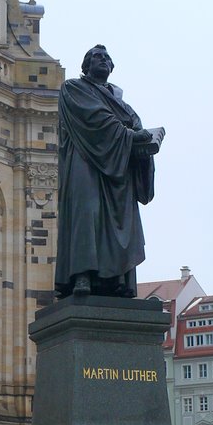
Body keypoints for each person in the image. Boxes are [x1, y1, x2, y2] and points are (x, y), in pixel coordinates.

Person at [54, 44, 164, 298]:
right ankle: (82, 275)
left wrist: (145, 147)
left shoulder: (123, 104)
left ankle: (118, 281)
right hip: (86, 162)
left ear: (112, 67)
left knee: (121, 222)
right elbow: (94, 120)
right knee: (86, 214)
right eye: (97, 57)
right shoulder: (73, 89)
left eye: (107, 58)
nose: (103, 60)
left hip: (118, 171)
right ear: (86, 66)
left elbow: (136, 128)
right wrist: (131, 136)